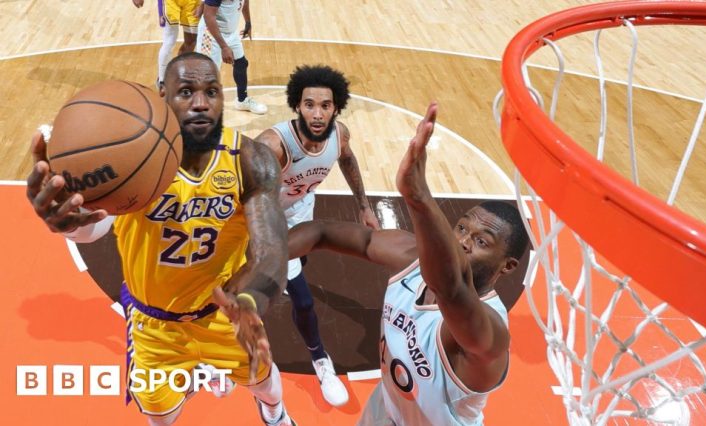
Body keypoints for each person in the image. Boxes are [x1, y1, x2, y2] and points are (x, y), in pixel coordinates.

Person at [26, 52, 294, 426]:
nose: (201, 103)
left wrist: (250, 300)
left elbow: (273, 249)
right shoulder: (129, 158)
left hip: (224, 314)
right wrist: (68, 222)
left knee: (265, 382)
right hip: (155, 325)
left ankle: (275, 415)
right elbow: (95, 226)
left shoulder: (251, 159)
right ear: (161, 96)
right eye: (186, 91)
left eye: (212, 91)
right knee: (162, 417)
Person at [287, 103, 529, 425]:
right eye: (460, 228)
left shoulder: (488, 334)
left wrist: (418, 197)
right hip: (385, 408)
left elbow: (452, 288)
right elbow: (320, 232)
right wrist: (259, 257)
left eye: (481, 242)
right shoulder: (412, 258)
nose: (462, 242)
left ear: (507, 267)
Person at [253, 64, 380, 407]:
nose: (318, 113)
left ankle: (317, 356)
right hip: (263, 217)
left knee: (297, 271)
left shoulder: (339, 135)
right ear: (297, 105)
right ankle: (320, 359)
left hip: (300, 208)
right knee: (297, 297)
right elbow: (244, 193)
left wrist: (364, 206)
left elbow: (348, 161)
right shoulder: (274, 145)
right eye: (310, 104)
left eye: (326, 105)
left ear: (336, 107)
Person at [196, 0, 267, 114]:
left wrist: (248, 22)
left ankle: (242, 100)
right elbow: (208, 17)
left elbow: (245, 3)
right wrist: (224, 47)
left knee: (241, 63)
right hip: (210, 34)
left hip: (230, 33)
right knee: (208, 75)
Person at [131, 0, 203, 87]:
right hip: (171, 2)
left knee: (191, 41)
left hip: (192, 2)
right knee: (169, 41)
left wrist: (203, 2)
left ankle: (179, 73)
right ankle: (162, 80)